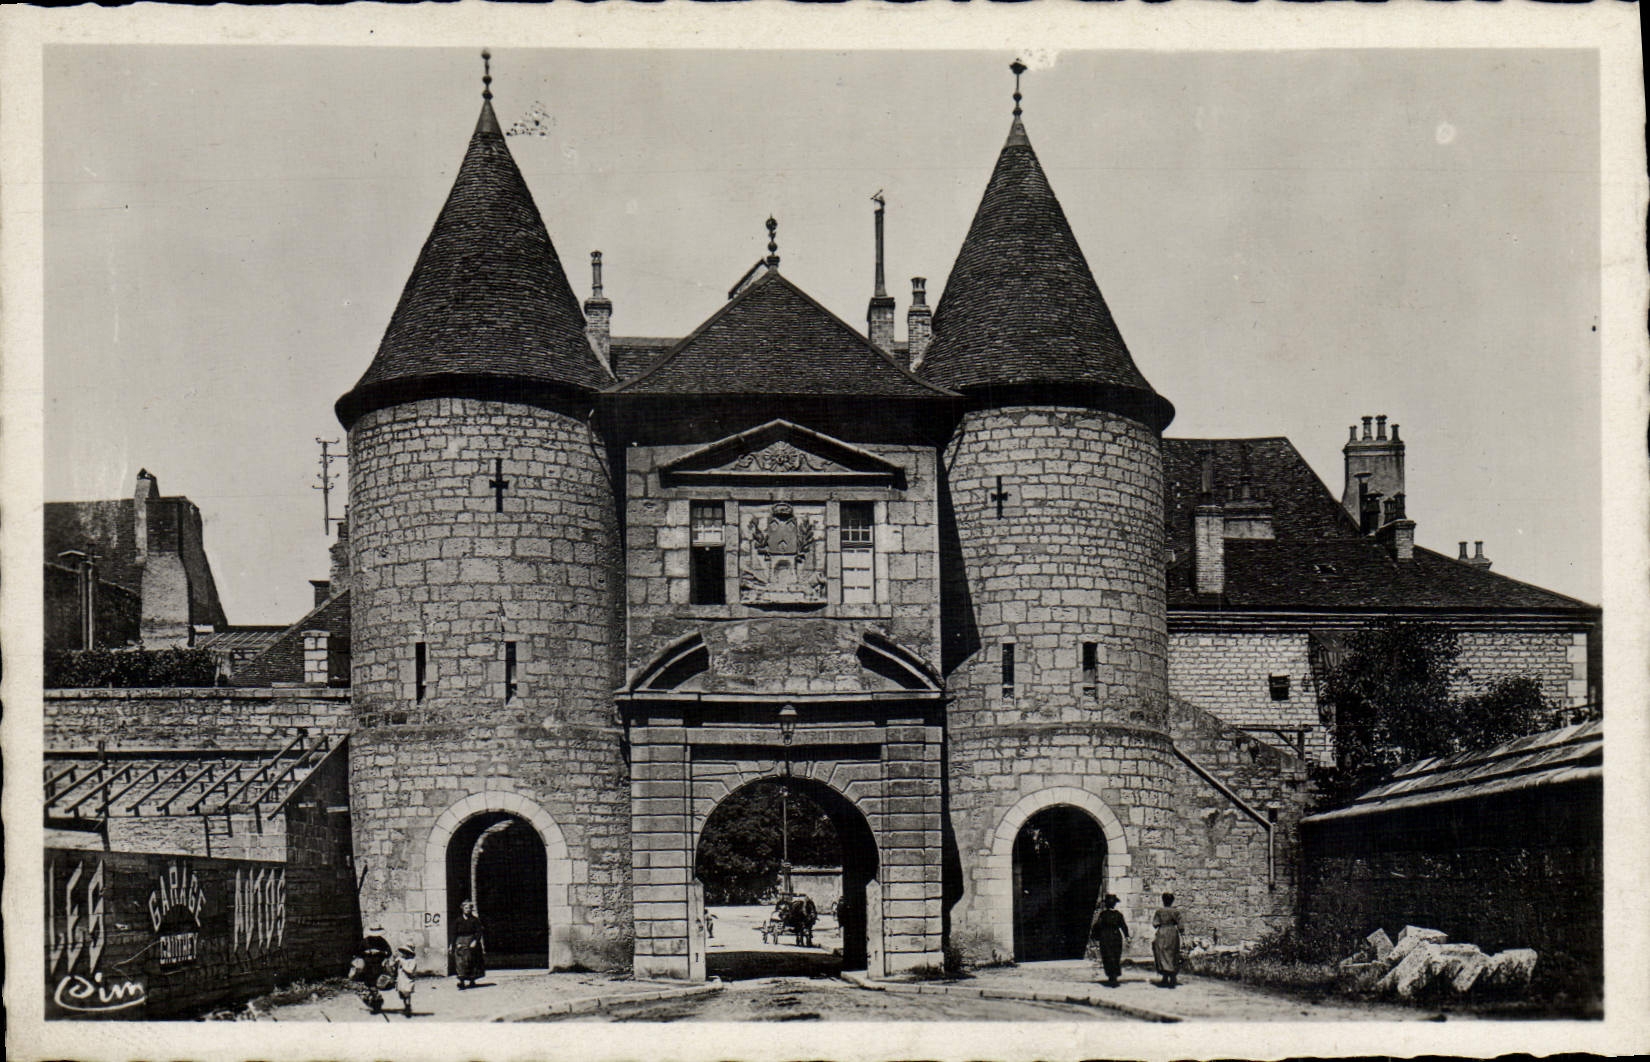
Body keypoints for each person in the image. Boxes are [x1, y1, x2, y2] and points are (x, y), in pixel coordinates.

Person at [349, 923, 394, 1013]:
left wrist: (380, 952)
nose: (375, 937)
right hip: (368, 965)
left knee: (375, 984)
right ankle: (374, 1002)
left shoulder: (382, 941)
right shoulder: (365, 942)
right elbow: (357, 953)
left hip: (378, 965)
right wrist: (367, 952)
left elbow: (389, 952)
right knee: (370, 984)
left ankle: (376, 1002)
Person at [1088, 893, 1129, 987]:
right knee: (1115, 956)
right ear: (1115, 904)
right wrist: (1127, 936)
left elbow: (1098, 925)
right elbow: (1123, 926)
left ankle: (1111, 976)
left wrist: (1094, 936)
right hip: (1116, 937)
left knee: (1107, 956)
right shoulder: (1118, 915)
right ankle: (1114, 976)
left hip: (1105, 937)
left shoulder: (1103, 914)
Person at [451, 899, 486, 990]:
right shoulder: (458, 920)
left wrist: (475, 941)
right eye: (465, 908)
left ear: (471, 909)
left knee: (471, 961)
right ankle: (461, 981)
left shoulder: (475, 920)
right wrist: (452, 944)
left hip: (471, 942)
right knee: (460, 962)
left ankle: (472, 980)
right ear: (462, 908)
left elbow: (479, 932)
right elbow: (454, 933)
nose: (467, 909)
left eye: (469, 908)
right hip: (460, 942)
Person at [1151, 892, 1183, 988]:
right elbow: (1181, 926)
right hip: (1173, 933)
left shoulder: (1159, 911)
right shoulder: (1176, 912)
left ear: (1163, 901)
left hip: (1162, 933)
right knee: (1172, 953)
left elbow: (1155, 924)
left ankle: (1165, 977)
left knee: (1162, 954)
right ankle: (1172, 977)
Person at [393, 941, 418, 1017]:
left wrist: (403, 965)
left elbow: (410, 971)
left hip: (408, 980)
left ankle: (408, 1007)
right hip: (401, 980)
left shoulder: (412, 961)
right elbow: (396, 969)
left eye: (406, 952)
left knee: (407, 994)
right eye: (404, 952)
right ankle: (406, 1006)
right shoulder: (402, 960)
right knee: (402, 994)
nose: (404, 954)